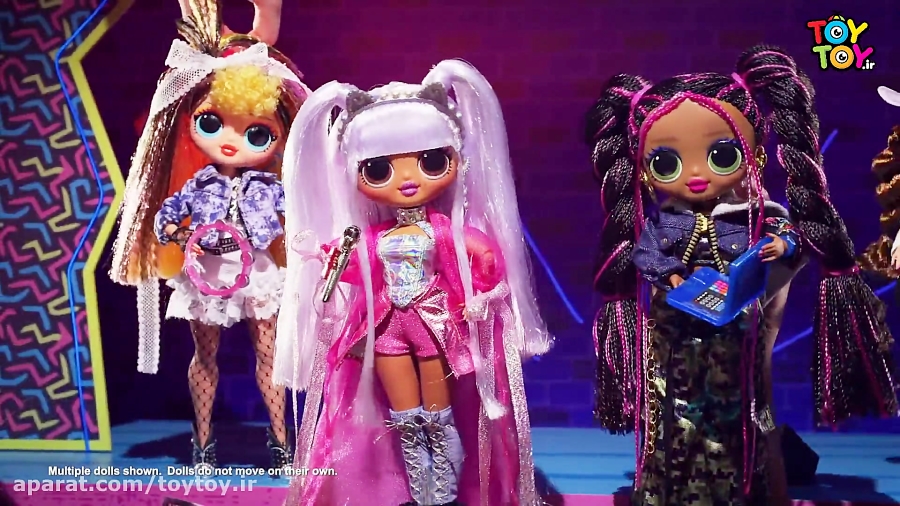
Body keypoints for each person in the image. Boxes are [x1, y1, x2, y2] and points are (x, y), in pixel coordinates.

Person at [584, 45, 897, 505]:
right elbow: (645, 254)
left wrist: (783, 244)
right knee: (677, 415)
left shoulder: (750, 216)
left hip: (734, 337)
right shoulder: (665, 223)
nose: (695, 175)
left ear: (753, 155)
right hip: (676, 339)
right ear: (646, 171)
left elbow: (789, 236)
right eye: (667, 163)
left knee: (735, 415)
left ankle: (736, 487)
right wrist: (672, 277)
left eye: (721, 155)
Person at [274, 60, 552, 506]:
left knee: (438, 415)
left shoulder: (441, 229)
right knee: (404, 415)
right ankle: (418, 489)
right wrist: (327, 259)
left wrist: (485, 276)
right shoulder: (372, 237)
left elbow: (480, 256)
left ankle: (444, 490)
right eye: (379, 169)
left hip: (434, 323)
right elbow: (357, 269)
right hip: (387, 327)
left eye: (431, 162)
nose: (407, 180)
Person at [109, 0, 310, 474]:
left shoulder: (269, 187)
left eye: (256, 133)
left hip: (257, 270)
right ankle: (203, 441)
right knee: (206, 355)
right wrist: (187, 236)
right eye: (212, 123)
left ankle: (281, 441)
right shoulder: (199, 185)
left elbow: (298, 219)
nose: (230, 141)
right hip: (208, 271)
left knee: (268, 354)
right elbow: (164, 221)